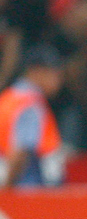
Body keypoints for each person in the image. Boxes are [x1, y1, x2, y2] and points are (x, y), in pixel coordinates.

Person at [0, 47, 65, 188]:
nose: (59, 82)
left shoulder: (9, 96)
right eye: (56, 75)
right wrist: (7, 190)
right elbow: (20, 151)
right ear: (37, 71)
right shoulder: (30, 103)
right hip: (26, 184)